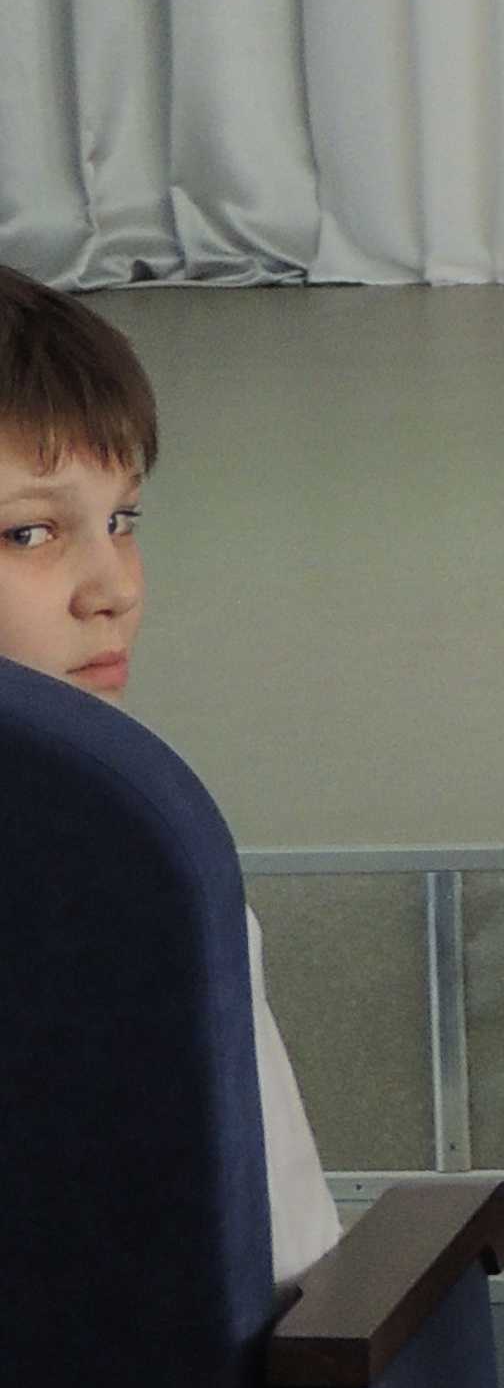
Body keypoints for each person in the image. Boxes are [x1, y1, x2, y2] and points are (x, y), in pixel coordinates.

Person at [0, 267, 343, 1288]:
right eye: (29, 532)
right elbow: (287, 1270)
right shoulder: (137, 870)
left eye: (123, 520)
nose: (115, 588)